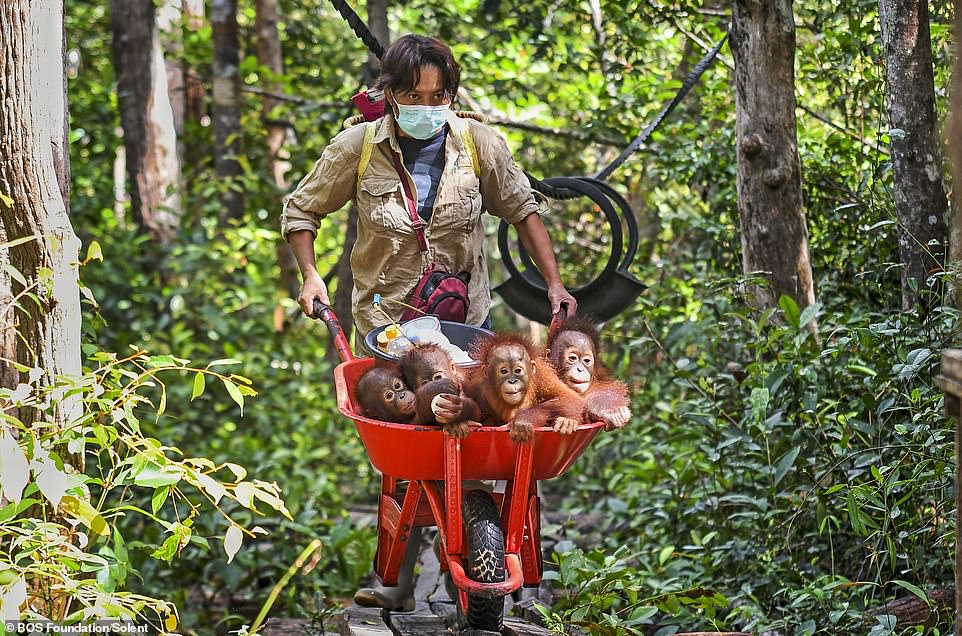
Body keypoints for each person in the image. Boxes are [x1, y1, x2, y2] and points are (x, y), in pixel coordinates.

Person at [280, 34, 577, 610]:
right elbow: (302, 208)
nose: (427, 107)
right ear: (389, 94)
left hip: (463, 323)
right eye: (414, 96)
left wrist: (554, 282)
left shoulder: (477, 144)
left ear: (452, 96)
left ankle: (500, 568)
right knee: (410, 432)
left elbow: (523, 209)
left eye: (438, 97)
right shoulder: (358, 147)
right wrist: (310, 274)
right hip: (387, 328)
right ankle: (398, 580)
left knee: (475, 423)